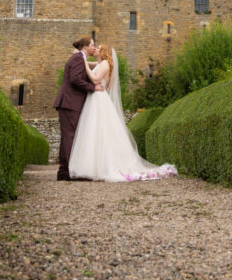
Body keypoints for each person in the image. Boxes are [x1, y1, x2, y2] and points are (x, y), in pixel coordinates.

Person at [68, 44, 177, 181]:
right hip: (95, 98)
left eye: (98, 48)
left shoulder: (106, 64)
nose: (95, 49)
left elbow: (95, 79)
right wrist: (81, 57)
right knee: (94, 131)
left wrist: (83, 63)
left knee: (99, 130)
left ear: (104, 52)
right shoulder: (102, 63)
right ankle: (92, 167)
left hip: (98, 98)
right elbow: (93, 63)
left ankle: (101, 167)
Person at [53, 36, 101, 181]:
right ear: (85, 46)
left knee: (68, 136)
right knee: (70, 137)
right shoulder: (77, 59)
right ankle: (67, 172)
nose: (94, 47)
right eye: (93, 45)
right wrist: (93, 87)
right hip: (70, 103)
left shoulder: (80, 58)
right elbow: (75, 80)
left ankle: (64, 171)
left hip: (70, 103)